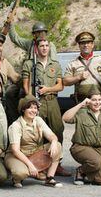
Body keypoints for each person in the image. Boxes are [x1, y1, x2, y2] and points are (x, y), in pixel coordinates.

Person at [22, 37, 70, 176]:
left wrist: (47, 89)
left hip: (52, 100)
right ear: (36, 48)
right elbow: (26, 86)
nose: (44, 48)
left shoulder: (55, 64)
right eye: (41, 45)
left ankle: (57, 164)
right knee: (38, 133)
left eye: (46, 45)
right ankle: (40, 166)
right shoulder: (29, 64)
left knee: (58, 130)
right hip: (36, 103)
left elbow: (60, 86)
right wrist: (31, 102)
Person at [63, 89, 101, 185]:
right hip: (81, 147)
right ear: (88, 101)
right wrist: (80, 104)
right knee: (97, 162)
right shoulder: (82, 112)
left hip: (98, 149)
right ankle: (80, 171)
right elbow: (65, 118)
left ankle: (86, 173)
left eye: (99, 100)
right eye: (94, 100)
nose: (97, 102)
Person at [5, 95, 63, 188]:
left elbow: (52, 135)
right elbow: (15, 150)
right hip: (18, 155)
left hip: (34, 152)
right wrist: (30, 165)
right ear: (23, 109)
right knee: (20, 173)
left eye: (35, 108)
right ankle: (17, 177)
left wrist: (54, 142)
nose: (33, 111)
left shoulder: (38, 120)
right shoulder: (16, 125)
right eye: (30, 108)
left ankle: (49, 178)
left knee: (58, 146)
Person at [63, 31, 101, 103]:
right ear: (79, 45)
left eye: (88, 42)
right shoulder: (73, 63)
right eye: (83, 43)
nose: (85, 45)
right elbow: (65, 82)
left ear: (92, 44)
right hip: (82, 103)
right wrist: (78, 77)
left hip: (100, 102)